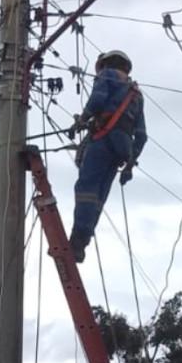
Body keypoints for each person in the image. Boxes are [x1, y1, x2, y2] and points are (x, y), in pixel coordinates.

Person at [69, 50, 147, 263]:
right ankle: (81, 243)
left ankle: (78, 239)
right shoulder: (136, 95)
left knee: (86, 189)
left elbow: (97, 100)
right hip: (121, 149)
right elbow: (141, 135)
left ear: (105, 64)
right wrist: (130, 165)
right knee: (99, 195)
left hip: (103, 140)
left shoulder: (108, 75)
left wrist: (82, 120)